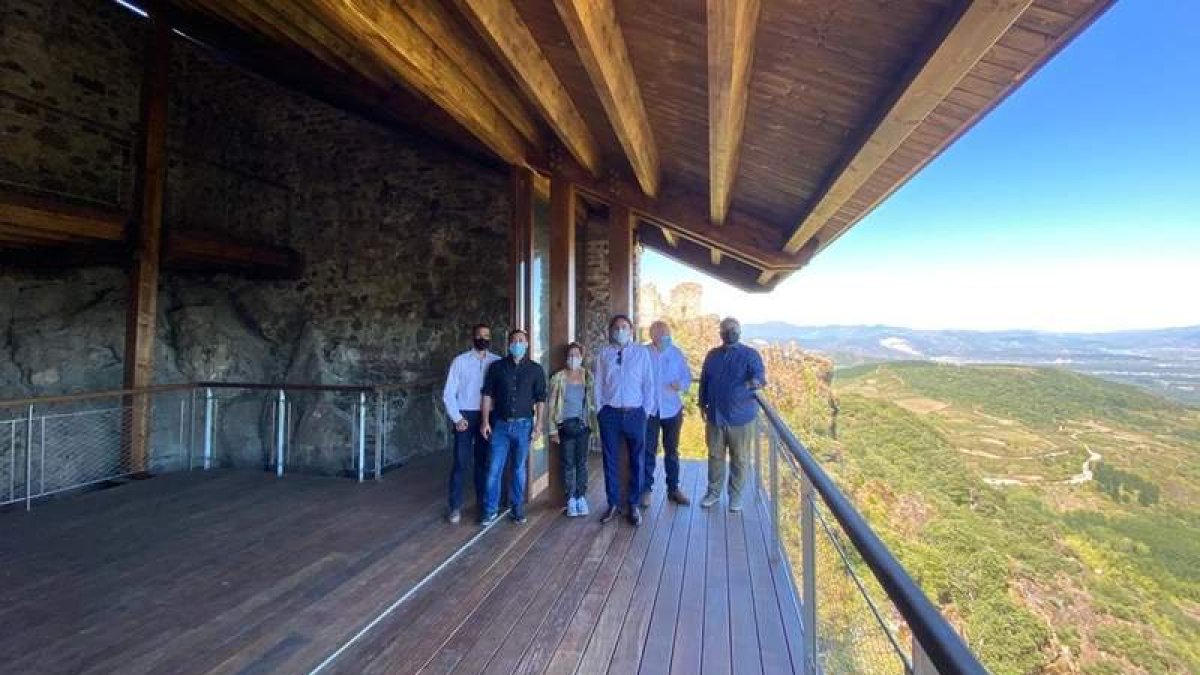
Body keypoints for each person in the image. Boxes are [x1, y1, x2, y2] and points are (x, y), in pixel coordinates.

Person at [698, 317, 766, 512]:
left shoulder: (750, 354)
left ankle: (735, 497)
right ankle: (713, 493)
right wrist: (702, 403)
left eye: (733, 329)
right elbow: (704, 381)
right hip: (715, 417)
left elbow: (760, 376)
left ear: (739, 331)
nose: (729, 333)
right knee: (715, 456)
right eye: (725, 330)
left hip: (741, 418)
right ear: (720, 333)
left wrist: (754, 382)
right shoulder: (712, 355)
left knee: (740, 458)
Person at [480, 329, 546, 526]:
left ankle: (516, 509)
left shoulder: (535, 369)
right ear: (508, 344)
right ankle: (490, 510)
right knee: (494, 469)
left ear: (526, 344)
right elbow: (487, 395)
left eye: (521, 340)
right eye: (514, 340)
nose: (517, 343)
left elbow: (541, 399)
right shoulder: (496, 367)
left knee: (518, 469)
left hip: (524, 425)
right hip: (499, 425)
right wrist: (484, 421)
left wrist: (539, 424)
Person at [594, 315, 655, 526]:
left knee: (637, 460)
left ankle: (633, 504)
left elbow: (649, 383)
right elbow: (598, 383)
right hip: (610, 414)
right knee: (609, 459)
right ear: (611, 331)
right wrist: (600, 409)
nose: (620, 330)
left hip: (635, 413)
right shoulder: (604, 354)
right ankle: (612, 503)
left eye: (624, 327)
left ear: (631, 330)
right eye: (617, 327)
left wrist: (645, 411)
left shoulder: (642, 352)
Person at [441, 323, 500, 524]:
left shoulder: (496, 362)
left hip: (487, 417)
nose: (484, 338)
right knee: (460, 462)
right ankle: (455, 506)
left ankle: (483, 505)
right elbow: (449, 393)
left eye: (487, 335)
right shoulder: (460, 362)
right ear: (473, 338)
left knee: (484, 462)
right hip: (465, 416)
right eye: (480, 335)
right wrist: (457, 418)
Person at [642, 320, 692, 508]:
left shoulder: (676, 353)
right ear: (652, 336)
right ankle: (646, 490)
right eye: (662, 334)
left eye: (667, 334)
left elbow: (687, 378)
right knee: (648, 451)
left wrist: (680, 384)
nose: (666, 338)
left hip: (672, 410)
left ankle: (674, 489)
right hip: (651, 411)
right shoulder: (644, 353)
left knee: (672, 451)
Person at [547, 342, 598, 517]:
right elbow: (551, 405)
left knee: (582, 463)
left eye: (576, 355)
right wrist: (552, 430)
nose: (573, 358)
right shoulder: (558, 378)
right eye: (570, 355)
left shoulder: (588, 376)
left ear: (581, 357)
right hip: (565, 426)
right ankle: (570, 499)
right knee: (568, 464)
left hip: (583, 426)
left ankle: (581, 497)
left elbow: (593, 401)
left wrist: (594, 425)